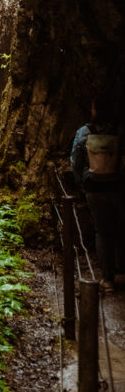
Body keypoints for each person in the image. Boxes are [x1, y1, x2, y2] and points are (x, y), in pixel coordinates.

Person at [71, 95, 123, 292]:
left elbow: (76, 161)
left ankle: (108, 279)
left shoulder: (84, 132)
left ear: (95, 111)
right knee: (119, 228)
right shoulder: (119, 132)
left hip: (94, 187)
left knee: (103, 231)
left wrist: (80, 181)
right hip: (117, 187)